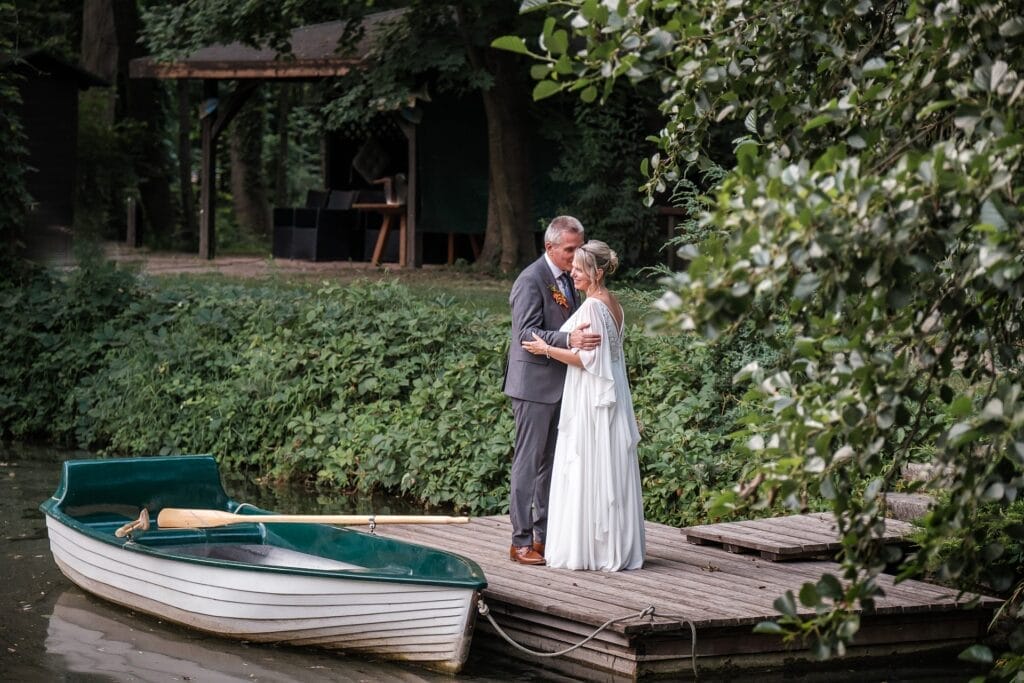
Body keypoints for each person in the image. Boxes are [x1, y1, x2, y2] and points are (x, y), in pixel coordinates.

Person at [521, 240, 645, 571]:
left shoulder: (592, 307)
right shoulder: (612, 302)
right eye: (572, 267)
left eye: (579, 269)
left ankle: (589, 550)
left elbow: (584, 359)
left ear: (598, 272)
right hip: (611, 394)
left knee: (585, 464)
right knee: (605, 468)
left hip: (592, 398)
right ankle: (609, 545)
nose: (572, 273)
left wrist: (544, 349)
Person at [503, 216, 601, 566]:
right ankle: (520, 542)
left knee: (552, 465)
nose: (576, 257)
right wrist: (568, 340)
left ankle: (545, 536)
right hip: (533, 386)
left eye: (579, 249)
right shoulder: (531, 280)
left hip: (565, 386)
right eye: (570, 250)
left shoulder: (571, 280)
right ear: (550, 248)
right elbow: (526, 334)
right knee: (528, 464)